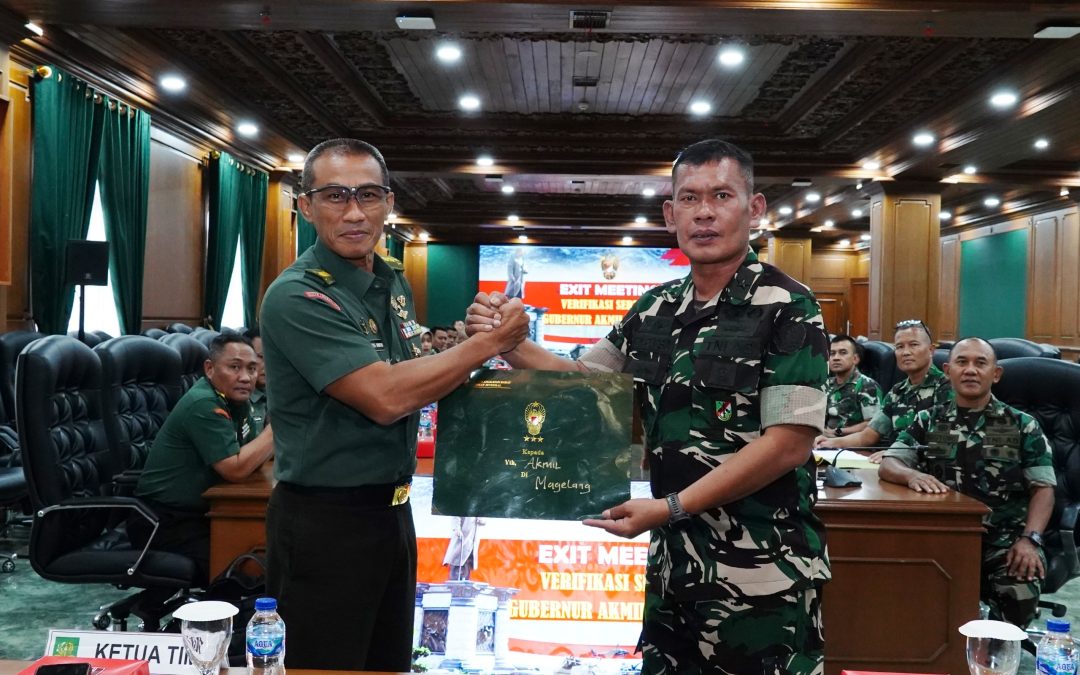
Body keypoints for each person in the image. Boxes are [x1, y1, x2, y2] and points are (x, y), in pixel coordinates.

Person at [468, 139, 830, 674]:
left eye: (722, 196)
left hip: (762, 578)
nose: (704, 212)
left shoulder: (788, 306)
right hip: (674, 573)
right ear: (669, 214)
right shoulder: (655, 307)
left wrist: (669, 508)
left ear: (754, 209)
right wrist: (504, 339)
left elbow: (787, 445)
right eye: (689, 198)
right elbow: (581, 382)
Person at [259, 138, 529, 672]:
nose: (354, 212)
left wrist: (474, 333)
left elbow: (415, 374)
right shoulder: (299, 295)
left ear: (388, 202)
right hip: (326, 521)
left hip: (391, 512)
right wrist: (487, 345)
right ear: (306, 206)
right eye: (334, 196)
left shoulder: (390, 279)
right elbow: (386, 397)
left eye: (367, 195)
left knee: (387, 664)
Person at [878, 337, 1055, 627]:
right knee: (901, 591)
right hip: (942, 538)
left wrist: (1030, 539)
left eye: (980, 363)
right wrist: (912, 475)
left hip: (1004, 542)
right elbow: (889, 463)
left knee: (1020, 588)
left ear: (995, 374)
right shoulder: (928, 420)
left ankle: (999, 653)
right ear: (948, 371)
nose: (970, 370)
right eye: (962, 362)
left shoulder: (1023, 425)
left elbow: (1043, 488)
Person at [130, 333, 274, 585]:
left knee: (264, 547)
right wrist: (279, 426)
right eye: (235, 367)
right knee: (245, 569)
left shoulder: (235, 400)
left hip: (200, 513)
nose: (245, 377)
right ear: (209, 368)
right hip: (163, 522)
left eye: (252, 369)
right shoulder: (204, 404)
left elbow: (252, 456)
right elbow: (235, 469)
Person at [816, 319, 952, 461]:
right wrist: (829, 442)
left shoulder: (946, 387)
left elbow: (941, 447)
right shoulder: (897, 391)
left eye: (913, 345)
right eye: (899, 347)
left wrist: (894, 453)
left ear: (931, 350)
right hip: (893, 464)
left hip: (924, 467)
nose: (906, 352)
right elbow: (868, 436)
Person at [817, 334, 882, 441]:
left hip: (853, 443)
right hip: (825, 440)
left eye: (843, 353)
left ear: (855, 359)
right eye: (832, 353)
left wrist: (838, 431)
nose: (836, 358)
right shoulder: (826, 384)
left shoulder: (867, 385)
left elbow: (873, 424)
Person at [243, 326, 268, 431]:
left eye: (272, 358)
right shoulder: (238, 398)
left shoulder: (282, 393)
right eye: (261, 357)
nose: (268, 364)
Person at [443, 516, 482, 581]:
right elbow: (456, 517)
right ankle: (454, 583)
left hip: (471, 543)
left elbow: (483, 521)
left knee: (466, 569)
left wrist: (480, 520)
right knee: (457, 563)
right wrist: (456, 529)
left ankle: (464, 583)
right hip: (462, 540)